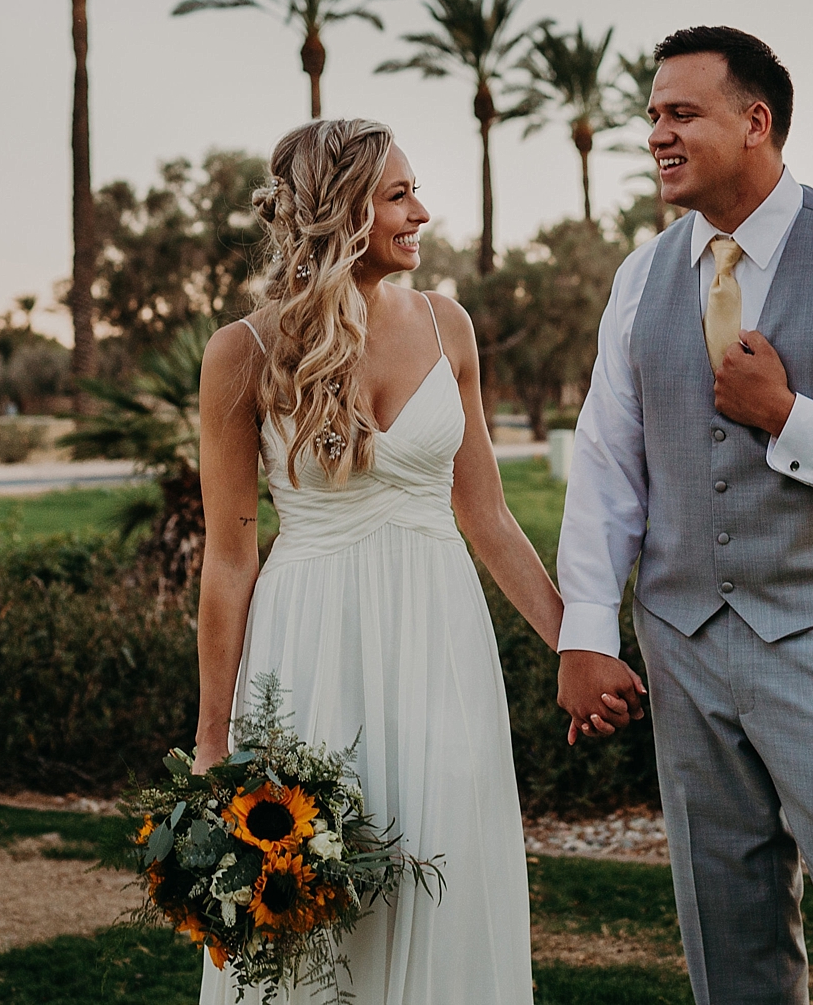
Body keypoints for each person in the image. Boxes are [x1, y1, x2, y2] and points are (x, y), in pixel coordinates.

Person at [555, 27, 813, 1005]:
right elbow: (609, 470)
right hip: (685, 644)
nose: (656, 132)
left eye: (680, 113)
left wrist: (789, 418)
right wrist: (584, 634)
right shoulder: (641, 278)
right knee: (726, 926)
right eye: (651, 114)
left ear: (755, 122)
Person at [191, 118, 591, 1004]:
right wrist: (213, 735)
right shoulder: (244, 352)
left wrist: (577, 642)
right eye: (399, 194)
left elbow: (483, 512)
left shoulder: (451, 326)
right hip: (307, 646)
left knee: (440, 855)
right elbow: (229, 558)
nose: (421, 212)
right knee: (306, 891)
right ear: (342, 213)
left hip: (438, 637)